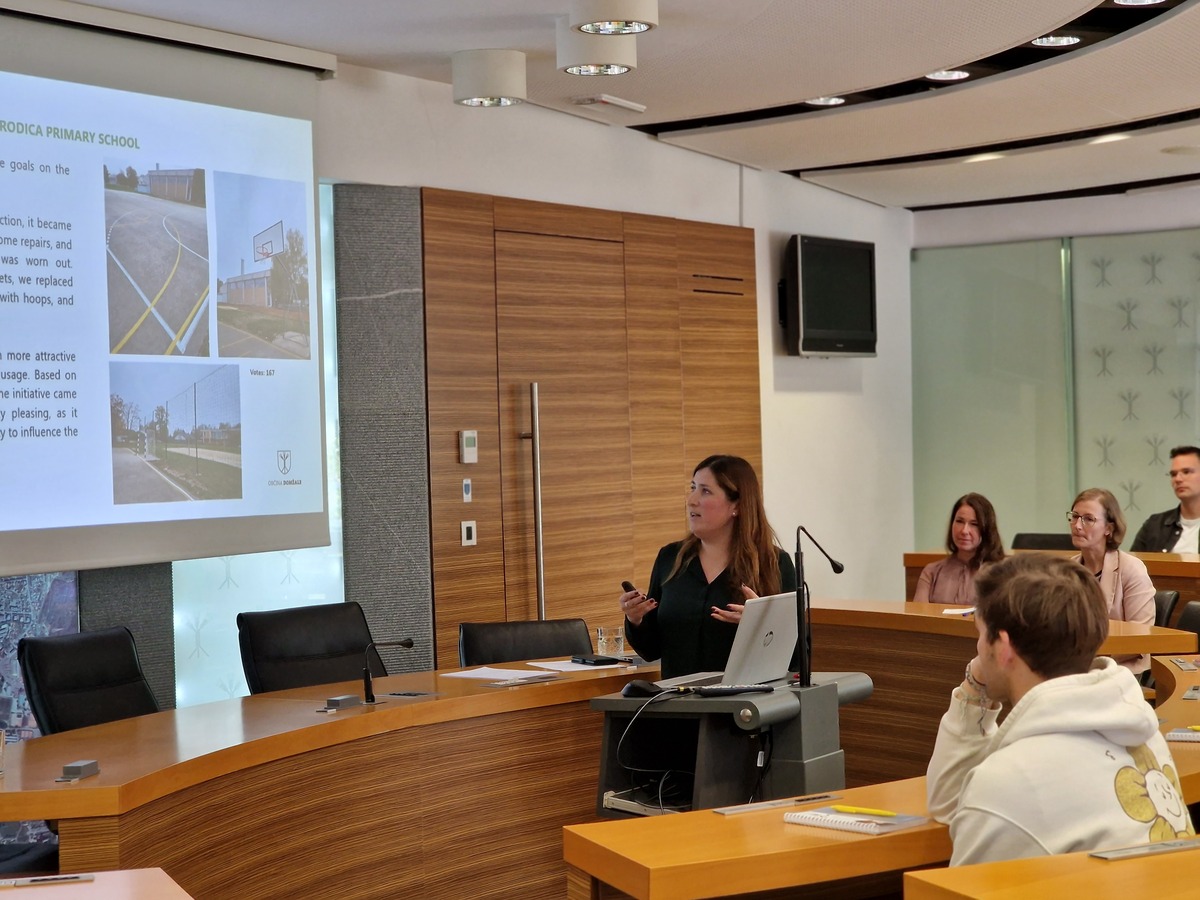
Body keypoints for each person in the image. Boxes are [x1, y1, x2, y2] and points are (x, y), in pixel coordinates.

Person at [927, 553, 1194, 866]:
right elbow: (953, 804)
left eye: (982, 634)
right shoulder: (1143, 733)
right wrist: (976, 684)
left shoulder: (1009, 781)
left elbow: (962, 866)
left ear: (1003, 648)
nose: (978, 648)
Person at [619, 454, 797, 679]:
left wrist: (762, 626)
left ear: (737, 505)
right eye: (693, 488)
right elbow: (651, 650)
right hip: (679, 697)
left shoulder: (774, 563)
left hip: (746, 697)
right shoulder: (670, 558)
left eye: (705, 491)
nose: (691, 500)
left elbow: (797, 657)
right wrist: (635, 620)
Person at [1068, 487, 1155, 673]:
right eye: (1074, 516)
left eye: (1088, 519)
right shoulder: (1068, 570)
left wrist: (1093, 661)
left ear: (1109, 528)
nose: (1077, 526)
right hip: (1077, 667)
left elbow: (1140, 637)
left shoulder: (1131, 568)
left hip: (1122, 669)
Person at [914, 493, 1005, 605]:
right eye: (959, 521)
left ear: (987, 530)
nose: (964, 531)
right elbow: (919, 615)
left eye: (974, 524)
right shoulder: (931, 572)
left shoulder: (1001, 575)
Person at [1131, 445, 1200, 553]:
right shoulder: (1154, 525)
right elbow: (1133, 562)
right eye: (1173, 474)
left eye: (1186, 472)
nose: (1178, 479)